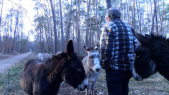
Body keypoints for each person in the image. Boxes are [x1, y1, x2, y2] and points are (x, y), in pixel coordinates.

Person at [100, 8, 138, 95]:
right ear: (119, 16)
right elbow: (136, 45)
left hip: (114, 70)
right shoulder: (128, 27)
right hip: (128, 69)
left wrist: (103, 64)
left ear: (108, 17)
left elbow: (106, 49)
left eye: (106, 19)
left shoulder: (109, 26)